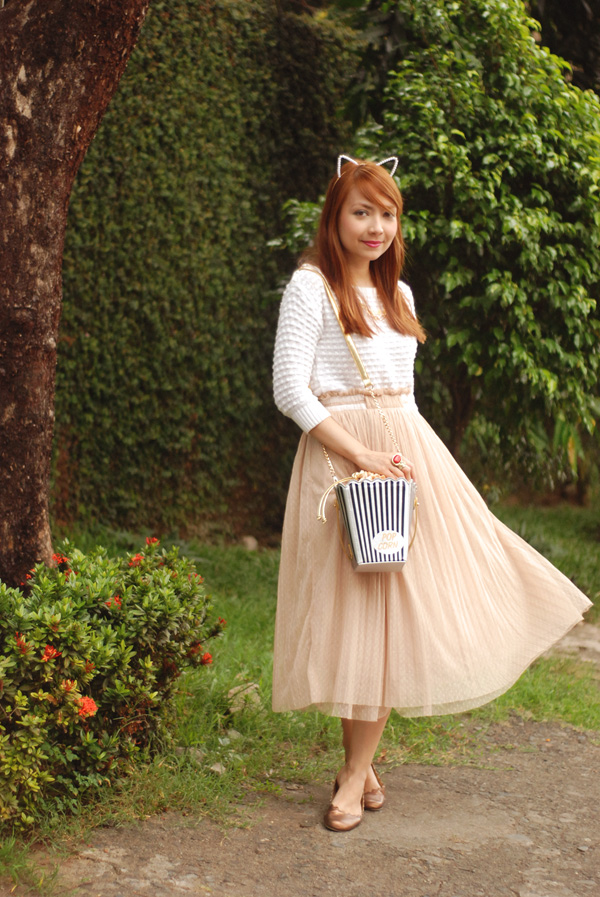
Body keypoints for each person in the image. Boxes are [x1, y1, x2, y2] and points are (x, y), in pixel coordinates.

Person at [271, 155, 591, 833]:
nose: (376, 226)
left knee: (395, 612)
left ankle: (355, 771)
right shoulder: (311, 286)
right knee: (352, 614)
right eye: (362, 211)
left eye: (387, 214)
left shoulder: (402, 296)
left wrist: (414, 463)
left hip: (404, 459)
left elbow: (406, 397)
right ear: (335, 216)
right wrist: (360, 455)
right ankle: (359, 766)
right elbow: (289, 388)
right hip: (342, 465)